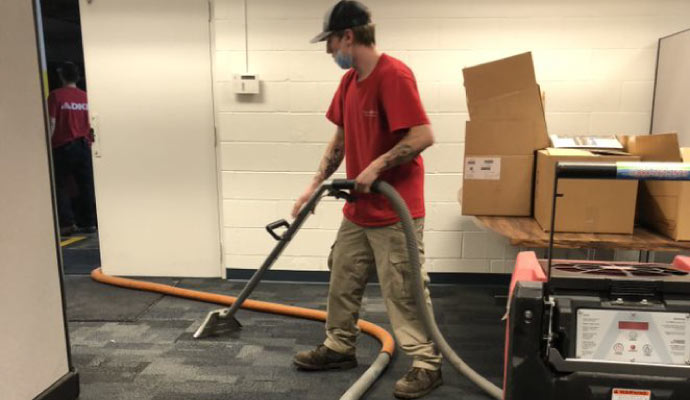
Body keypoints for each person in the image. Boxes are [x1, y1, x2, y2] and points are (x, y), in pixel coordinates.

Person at [291, 1, 442, 398]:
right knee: (342, 276)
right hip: (358, 209)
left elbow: (423, 135)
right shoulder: (348, 82)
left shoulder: (393, 75)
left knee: (403, 289)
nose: (329, 52)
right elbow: (340, 140)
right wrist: (314, 184)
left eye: (330, 43)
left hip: (396, 212)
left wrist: (376, 167)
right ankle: (340, 346)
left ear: (349, 37)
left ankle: (427, 363)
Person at [48, 61, 97, 236]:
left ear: (61, 75)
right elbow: (92, 123)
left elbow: (52, 122)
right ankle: (89, 222)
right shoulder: (85, 97)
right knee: (86, 185)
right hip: (83, 146)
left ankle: (67, 223)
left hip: (63, 146)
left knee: (60, 185)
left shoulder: (55, 96)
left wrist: (46, 144)